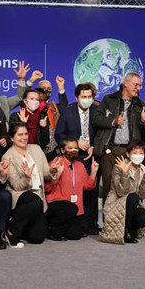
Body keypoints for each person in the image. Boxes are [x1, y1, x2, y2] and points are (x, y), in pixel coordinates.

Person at [93, 72, 145, 198]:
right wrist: (114, 121)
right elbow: (96, 120)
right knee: (109, 185)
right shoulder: (109, 99)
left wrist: (143, 121)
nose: (138, 88)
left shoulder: (140, 105)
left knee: (128, 185)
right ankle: (109, 211)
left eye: (140, 86)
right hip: (110, 150)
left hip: (130, 151)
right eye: (135, 85)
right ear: (126, 83)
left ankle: (127, 211)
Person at [55, 82, 99, 235]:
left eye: (89, 96)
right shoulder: (68, 112)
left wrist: (94, 146)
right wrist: (75, 143)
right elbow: (59, 135)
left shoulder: (97, 111)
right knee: (76, 190)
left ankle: (92, 224)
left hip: (92, 156)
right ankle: (78, 223)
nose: (87, 99)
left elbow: (102, 134)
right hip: (74, 157)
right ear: (76, 97)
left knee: (92, 191)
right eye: (83, 97)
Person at [3, 122, 52, 245]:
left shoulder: (36, 149)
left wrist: (54, 170)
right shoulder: (8, 157)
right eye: (20, 135)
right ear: (11, 138)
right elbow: (17, 186)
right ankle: (10, 231)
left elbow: (46, 173)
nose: (24, 137)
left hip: (39, 197)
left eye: (26, 134)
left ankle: (22, 228)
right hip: (21, 196)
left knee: (37, 238)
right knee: (34, 201)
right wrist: (26, 177)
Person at [44, 137, 98, 241]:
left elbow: (88, 186)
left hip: (74, 208)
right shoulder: (56, 163)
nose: (74, 150)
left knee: (75, 235)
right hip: (56, 204)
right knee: (69, 208)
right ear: (62, 150)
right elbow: (47, 188)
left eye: (76, 148)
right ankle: (52, 230)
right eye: (70, 148)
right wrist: (56, 175)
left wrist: (93, 172)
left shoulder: (80, 165)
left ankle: (62, 229)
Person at [100, 141, 145, 244]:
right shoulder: (118, 167)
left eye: (141, 153)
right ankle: (126, 230)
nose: (138, 155)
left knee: (144, 218)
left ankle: (130, 229)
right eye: (135, 153)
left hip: (132, 205)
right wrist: (125, 173)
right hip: (116, 204)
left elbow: (142, 195)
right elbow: (121, 192)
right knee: (133, 197)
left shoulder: (143, 169)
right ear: (128, 154)